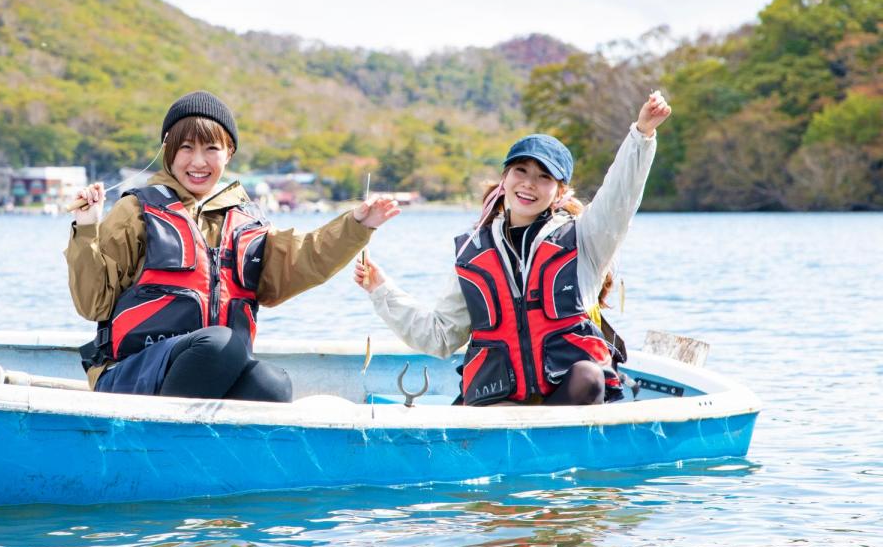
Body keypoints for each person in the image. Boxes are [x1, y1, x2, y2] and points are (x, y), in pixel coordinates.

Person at [66, 90, 400, 402]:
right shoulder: (135, 210)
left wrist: (358, 225)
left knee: (272, 385)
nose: (198, 162)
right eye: (186, 148)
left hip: (215, 367)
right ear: (168, 150)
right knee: (221, 343)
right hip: (134, 372)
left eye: (211, 149)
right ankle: (163, 445)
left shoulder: (246, 221)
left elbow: (305, 257)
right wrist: (87, 226)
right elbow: (93, 304)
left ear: (229, 153)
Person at [354, 91, 672, 406]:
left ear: (560, 190)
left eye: (543, 177)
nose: (529, 184)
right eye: (521, 171)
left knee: (589, 376)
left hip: (567, 404)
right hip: (499, 407)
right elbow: (439, 337)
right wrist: (380, 289)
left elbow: (620, 197)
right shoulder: (473, 253)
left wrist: (641, 135)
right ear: (505, 177)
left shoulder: (587, 237)